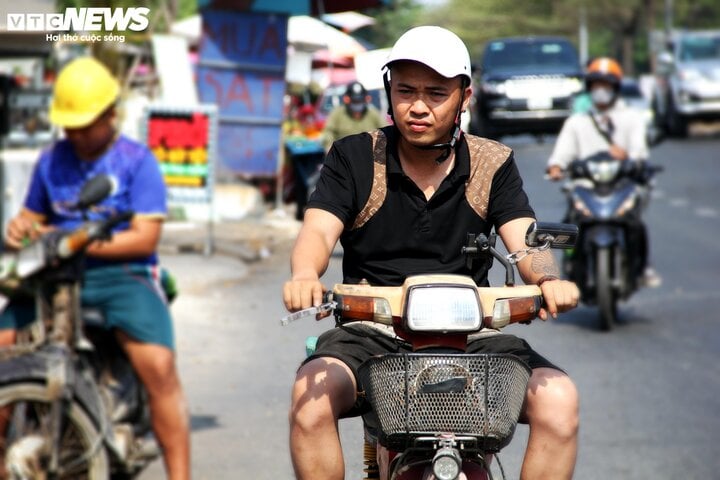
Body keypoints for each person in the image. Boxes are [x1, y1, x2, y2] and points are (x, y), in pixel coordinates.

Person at [283, 26, 580, 480]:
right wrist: (305, 273)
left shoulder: (492, 161)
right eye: (406, 91)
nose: (418, 106)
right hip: (371, 331)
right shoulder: (353, 157)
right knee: (309, 398)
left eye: (436, 93)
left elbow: (524, 238)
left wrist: (548, 279)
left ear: (465, 97)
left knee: (560, 400)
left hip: (476, 335)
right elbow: (319, 232)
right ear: (389, 91)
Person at [0, 57, 191, 480]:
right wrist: (21, 228)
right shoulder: (51, 160)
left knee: (159, 369)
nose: (77, 134)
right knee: (3, 345)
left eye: (86, 124)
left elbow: (145, 237)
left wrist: (83, 240)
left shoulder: (137, 161)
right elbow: (32, 216)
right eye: (70, 126)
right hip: (52, 273)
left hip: (123, 273)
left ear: (111, 115)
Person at [546, 57, 661, 287]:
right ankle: (570, 266)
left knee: (636, 223)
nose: (601, 90)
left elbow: (640, 153)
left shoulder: (632, 118)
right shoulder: (577, 122)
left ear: (615, 88)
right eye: (596, 85)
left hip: (622, 185)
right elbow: (562, 154)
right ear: (590, 88)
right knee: (571, 223)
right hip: (586, 185)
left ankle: (643, 267)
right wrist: (556, 167)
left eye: (606, 85)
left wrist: (628, 157)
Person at [321, 80, 387, 152]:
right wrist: (330, 148)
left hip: (368, 154)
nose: (357, 104)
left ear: (365, 99)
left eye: (360, 100)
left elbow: (385, 131)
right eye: (354, 101)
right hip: (344, 155)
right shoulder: (337, 114)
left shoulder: (373, 113)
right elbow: (328, 133)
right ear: (347, 100)